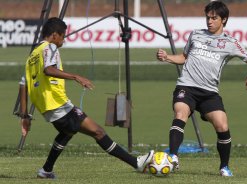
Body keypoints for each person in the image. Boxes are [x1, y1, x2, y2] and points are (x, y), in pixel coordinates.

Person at [19, 17, 154, 179]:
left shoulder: (32, 55)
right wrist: (76, 76)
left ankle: (46, 170)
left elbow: (23, 85)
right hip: (58, 105)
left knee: (67, 132)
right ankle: (137, 163)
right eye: (63, 35)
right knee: (98, 132)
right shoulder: (50, 48)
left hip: (48, 108)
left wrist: (25, 115)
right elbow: (49, 70)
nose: (64, 39)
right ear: (54, 35)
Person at [156, 1, 247, 177]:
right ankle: (173, 157)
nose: (209, 21)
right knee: (180, 113)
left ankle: (224, 167)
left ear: (224, 19)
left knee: (222, 124)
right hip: (187, 86)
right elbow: (184, 57)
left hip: (209, 92)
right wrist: (167, 58)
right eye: (208, 17)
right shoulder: (195, 35)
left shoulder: (231, 42)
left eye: (214, 18)